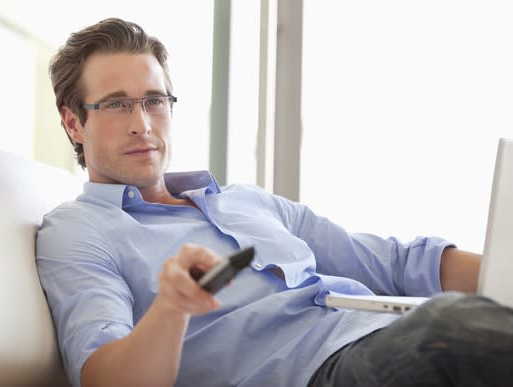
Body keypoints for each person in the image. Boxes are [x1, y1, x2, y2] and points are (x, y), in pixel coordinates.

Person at [36, 17, 513, 387]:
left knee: (457, 319)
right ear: (74, 124)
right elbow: (106, 377)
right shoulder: (79, 230)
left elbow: (398, 263)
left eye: (154, 100)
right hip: (320, 372)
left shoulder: (246, 202)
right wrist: (171, 308)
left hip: (379, 339)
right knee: (451, 326)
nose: (142, 123)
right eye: (116, 104)